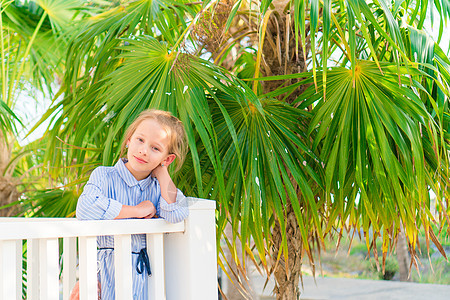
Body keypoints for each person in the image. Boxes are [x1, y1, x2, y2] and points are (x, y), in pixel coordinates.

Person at [73, 109, 189, 300]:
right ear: (128, 139)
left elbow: (176, 213)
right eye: (140, 140)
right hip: (105, 275)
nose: (144, 150)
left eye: (156, 148)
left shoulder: (157, 188)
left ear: (167, 159)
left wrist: (162, 173)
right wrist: (136, 211)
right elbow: (85, 207)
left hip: (144, 278)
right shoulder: (104, 176)